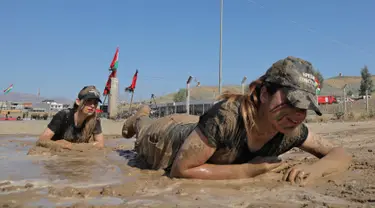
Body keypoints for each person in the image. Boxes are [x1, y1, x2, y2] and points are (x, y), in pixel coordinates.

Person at [121, 56, 352, 185]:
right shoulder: (227, 118)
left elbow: (340, 153)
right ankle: (140, 115)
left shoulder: (292, 128)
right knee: (144, 130)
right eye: (291, 101)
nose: (297, 114)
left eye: (305, 107)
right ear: (264, 94)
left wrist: (315, 169)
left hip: (199, 131)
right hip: (165, 137)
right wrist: (247, 171)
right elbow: (181, 170)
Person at [37, 85, 104, 150]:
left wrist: (75, 147)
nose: (92, 105)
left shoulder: (95, 120)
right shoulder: (63, 115)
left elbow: (100, 144)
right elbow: (42, 140)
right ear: (78, 102)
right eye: (88, 101)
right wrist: (60, 144)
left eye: (95, 103)